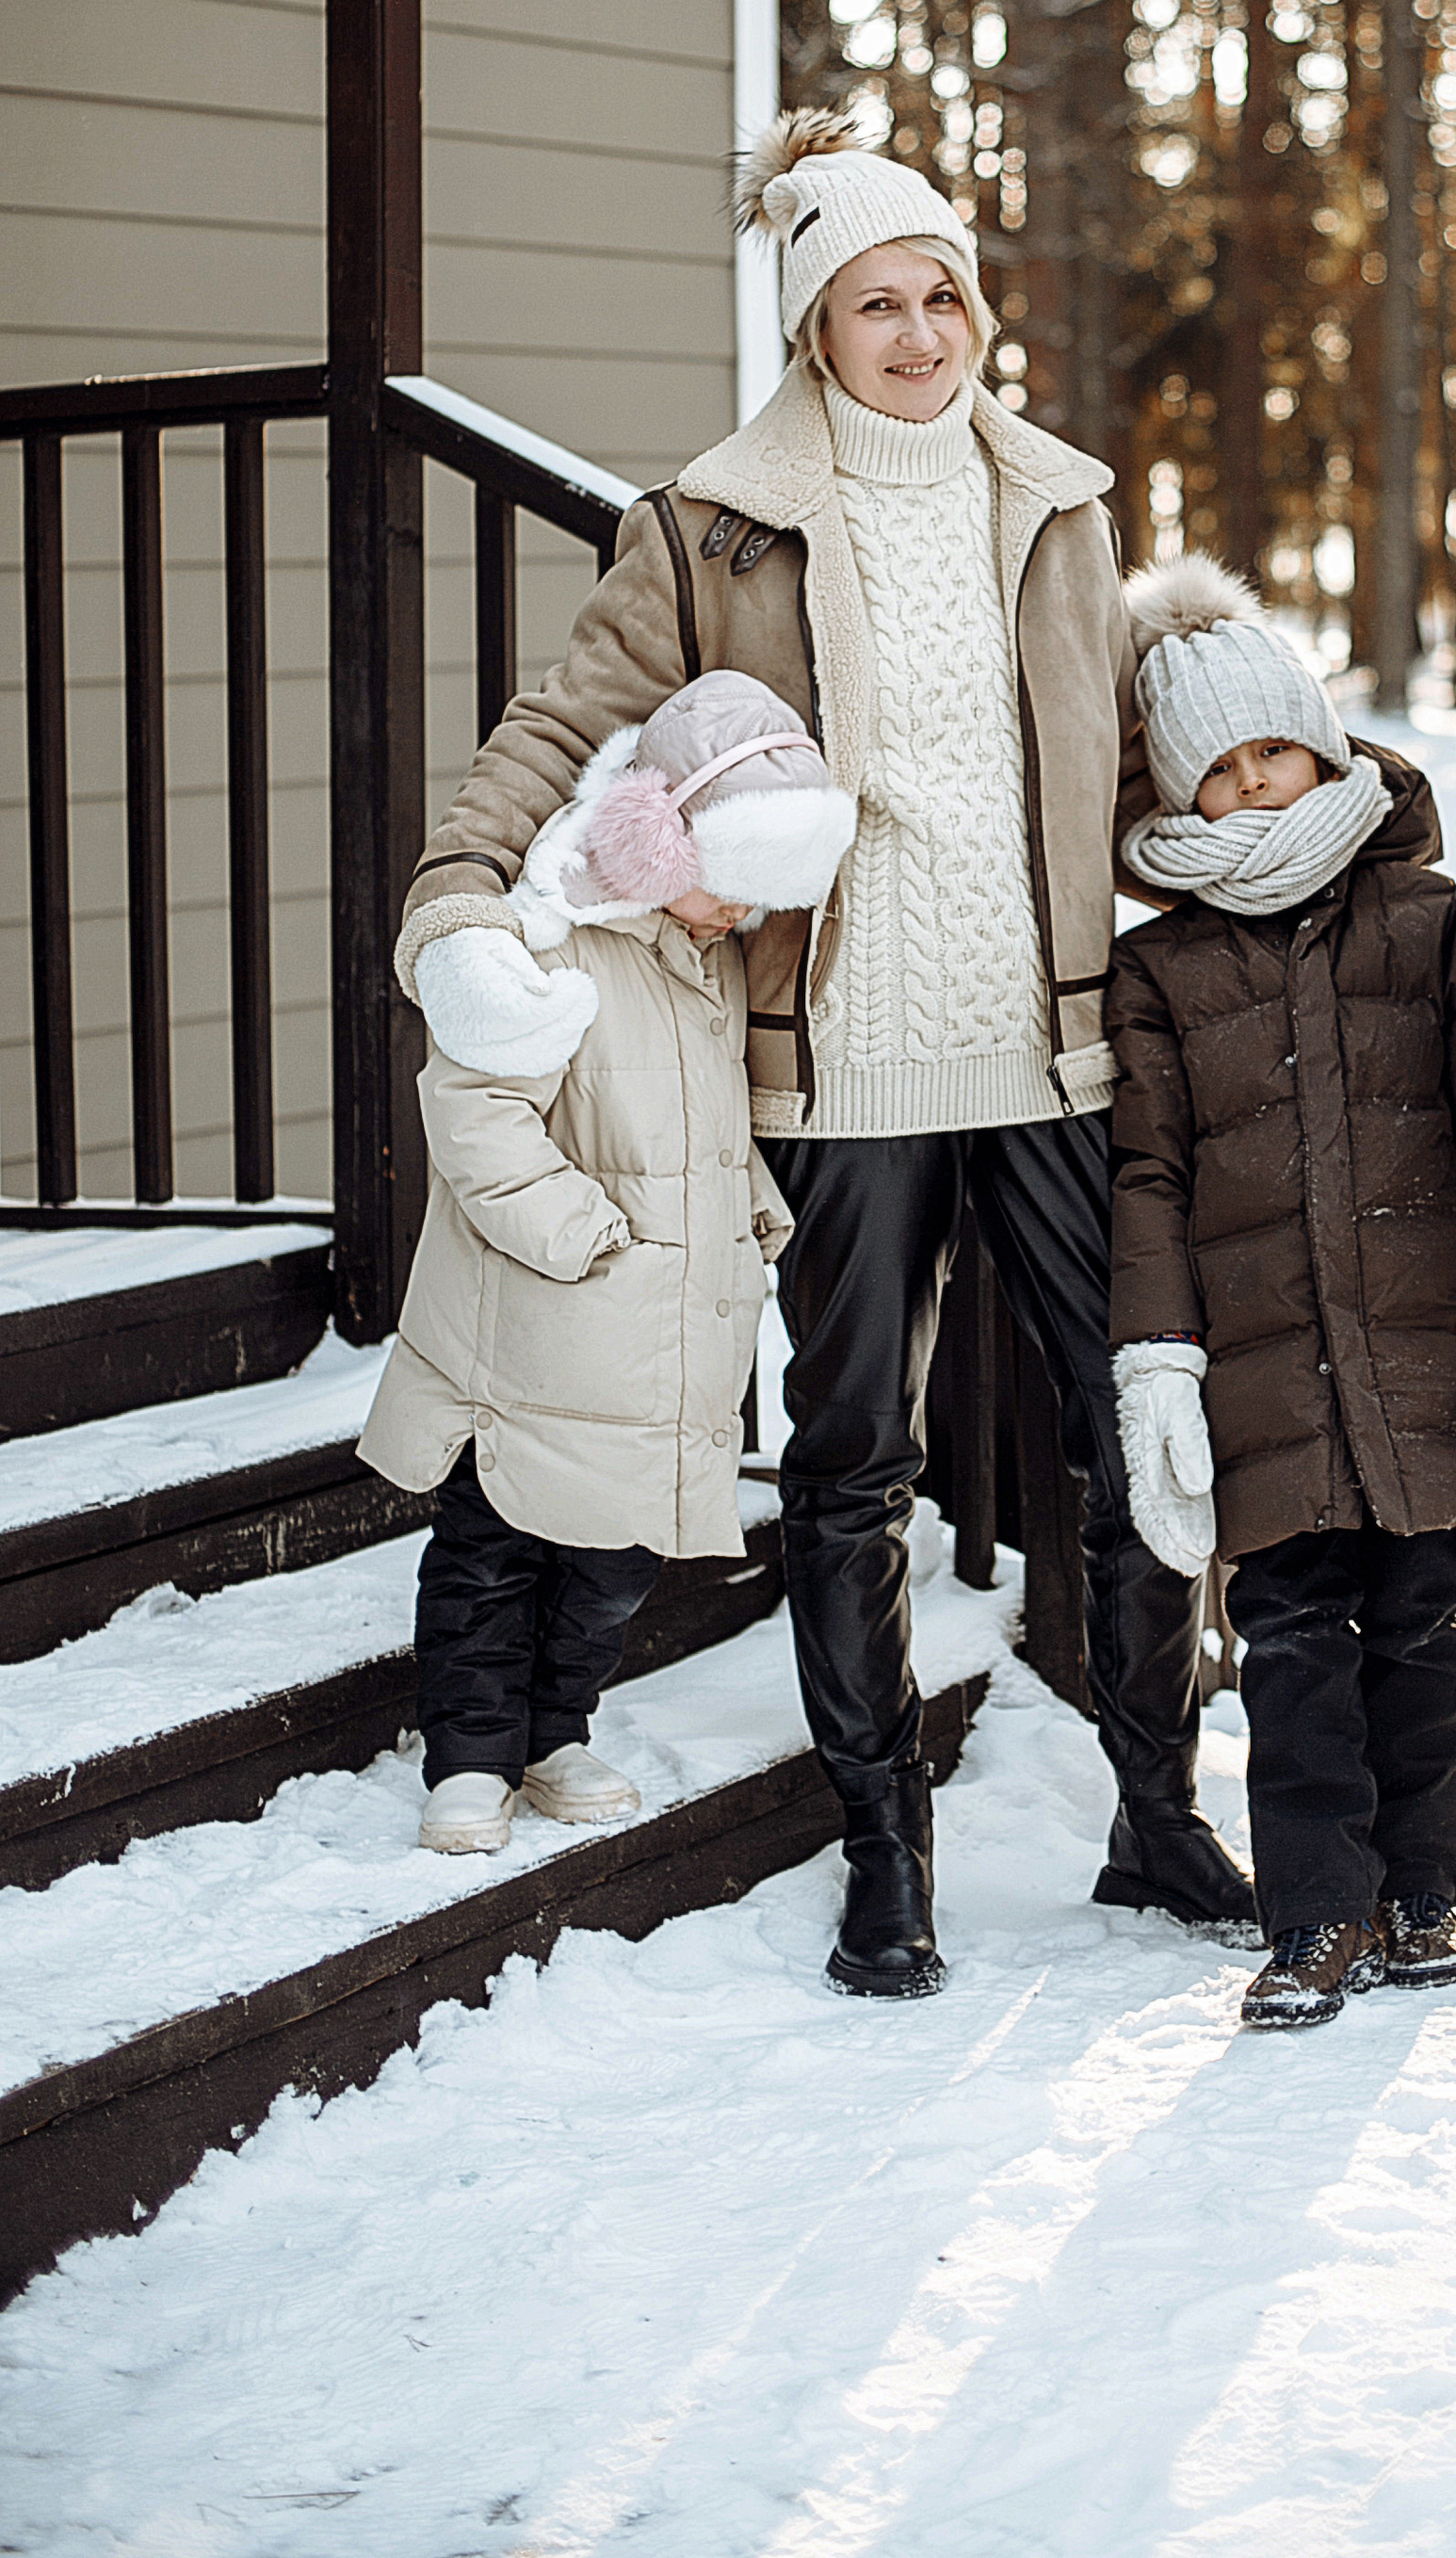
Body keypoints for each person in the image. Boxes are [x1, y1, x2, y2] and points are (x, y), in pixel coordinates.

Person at [396, 114, 1254, 1996]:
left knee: (1134, 1444)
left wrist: (1309, 810)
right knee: (852, 1464)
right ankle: (885, 1851)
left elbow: (1124, 740)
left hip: (1054, 1059)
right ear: (813, 327)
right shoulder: (706, 527)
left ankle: (1158, 1809)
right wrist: (463, 885)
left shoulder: (1056, 502)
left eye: (946, 292)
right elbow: (566, 723)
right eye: (880, 300)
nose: (924, 330)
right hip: (843, 1071)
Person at [1106, 557, 1456, 2032]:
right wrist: (1161, 1363)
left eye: (1274, 752)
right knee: (1292, 1648)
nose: (1253, 790)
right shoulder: (1157, 974)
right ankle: (1315, 1913)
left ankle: (1424, 1899)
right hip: (1258, 1374)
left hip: (1420, 1357)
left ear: (1323, 743)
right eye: (1217, 775)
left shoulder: (1436, 926)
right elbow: (1150, 1181)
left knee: (1423, 1633)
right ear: (1177, 803)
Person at [361, 674, 848, 1854]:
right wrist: (575, 1230)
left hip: (654, 1327)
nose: (741, 910)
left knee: (616, 1551)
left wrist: (753, 1206)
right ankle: (471, 1754)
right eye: (729, 875)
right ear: (657, 834)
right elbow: (475, 1106)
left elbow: (704, 1116)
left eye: (763, 890)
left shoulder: (709, 957)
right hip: (543, 1312)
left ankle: (553, 1728)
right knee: (496, 1542)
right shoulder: (552, 938)